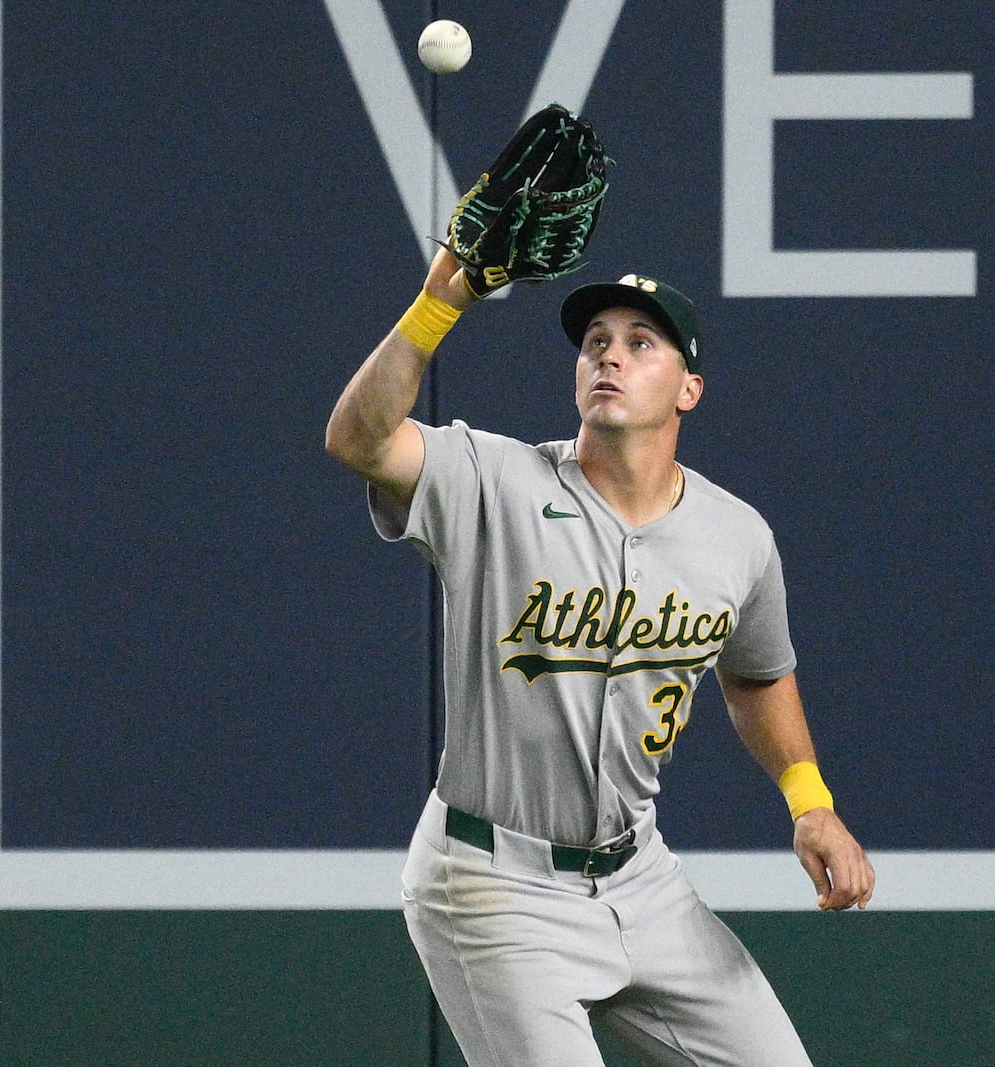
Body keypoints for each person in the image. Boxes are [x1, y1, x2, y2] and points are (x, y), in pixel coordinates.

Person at [326, 247, 875, 1066]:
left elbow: (756, 673)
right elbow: (358, 439)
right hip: (491, 884)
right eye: (595, 342)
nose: (610, 353)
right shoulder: (496, 479)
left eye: (642, 341)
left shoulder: (737, 537)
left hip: (639, 876)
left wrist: (811, 801)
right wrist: (439, 302)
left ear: (689, 389)